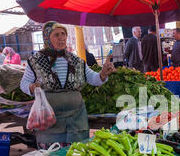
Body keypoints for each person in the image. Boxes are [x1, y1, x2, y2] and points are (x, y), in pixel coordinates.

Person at [20, 21, 115, 149]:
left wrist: (103, 74)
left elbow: (93, 78)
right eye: (56, 35)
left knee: (77, 155)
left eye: (63, 34)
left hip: (76, 119)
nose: (61, 37)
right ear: (47, 38)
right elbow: (24, 83)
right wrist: (31, 87)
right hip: (50, 120)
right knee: (52, 155)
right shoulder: (35, 61)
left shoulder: (76, 60)